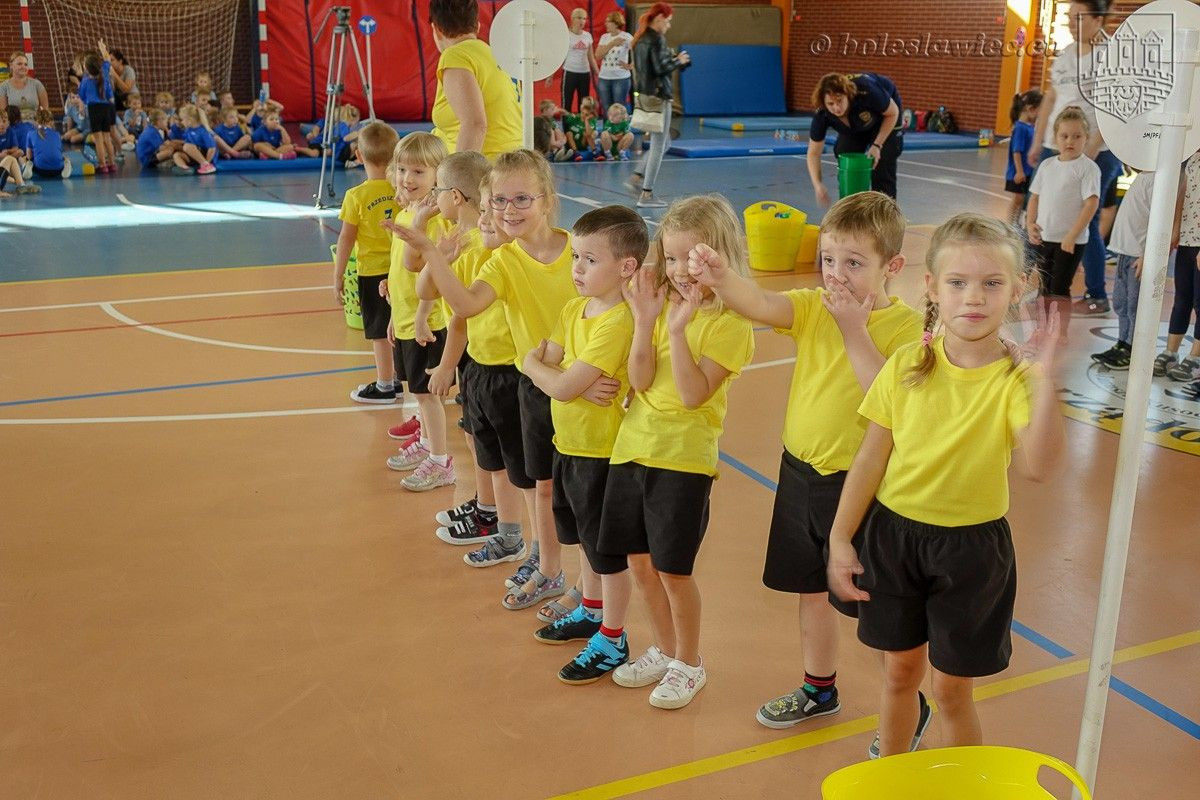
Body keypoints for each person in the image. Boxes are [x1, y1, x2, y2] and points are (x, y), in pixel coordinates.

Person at [687, 192, 926, 745]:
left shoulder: (909, 331)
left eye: (854, 263)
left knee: (880, 608)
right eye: (828, 259)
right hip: (801, 474)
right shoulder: (815, 305)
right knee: (810, 589)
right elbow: (761, 304)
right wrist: (723, 278)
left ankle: (908, 703)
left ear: (892, 266)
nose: (836, 275)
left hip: (864, 487)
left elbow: (886, 400)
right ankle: (820, 688)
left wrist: (853, 330)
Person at [827, 212, 1064, 758]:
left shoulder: (1017, 379)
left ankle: (963, 782)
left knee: (953, 691)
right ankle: (893, 771)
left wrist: (1046, 385)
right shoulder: (907, 365)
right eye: (957, 283)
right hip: (894, 538)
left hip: (972, 551)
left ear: (1018, 288)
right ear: (931, 287)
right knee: (898, 674)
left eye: (991, 283)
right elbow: (870, 459)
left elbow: (1040, 465)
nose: (973, 297)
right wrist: (841, 538)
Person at [392, 150, 575, 606]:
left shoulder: (580, 249)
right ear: (486, 203)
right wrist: (433, 253)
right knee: (542, 484)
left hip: (586, 387)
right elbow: (466, 306)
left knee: (588, 493)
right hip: (533, 386)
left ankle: (591, 593)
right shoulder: (502, 261)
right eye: (499, 201)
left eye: (520, 198)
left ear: (547, 199)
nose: (509, 210)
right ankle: (546, 564)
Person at [600, 194, 755, 709]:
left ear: (718, 255)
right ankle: (666, 652)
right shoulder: (660, 305)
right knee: (641, 565)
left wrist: (677, 331)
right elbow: (641, 380)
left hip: (683, 460)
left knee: (674, 571)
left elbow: (691, 394)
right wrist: (647, 321)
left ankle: (690, 662)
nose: (678, 270)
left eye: (690, 257)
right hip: (632, 449)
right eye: (670, 257)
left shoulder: (730, 325)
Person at [524, 206, 645, 685]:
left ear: (627, 267)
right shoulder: (573, 308)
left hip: (602, 454)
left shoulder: (617, 321)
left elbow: (555, 379)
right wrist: (557, 376)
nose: (576, 268)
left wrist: (551, 375)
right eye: (576, 257)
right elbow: (546, 365)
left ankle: (613, 639)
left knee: (605, 553)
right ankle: (592, 613)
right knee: (584, 543)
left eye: (590, 259)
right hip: (569, 444)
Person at [1031, 0, 1121, 316]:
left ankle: (1097, 294)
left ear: (1098, 20)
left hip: (1093, 151)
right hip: (1055, 146)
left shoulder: (1110, 56)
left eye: (1078, 18)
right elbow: (1051, 98)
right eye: (1069, 18)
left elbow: (1115, 110)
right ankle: (1044, 287)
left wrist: (1091, 152)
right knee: (1044, 215)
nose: (1071, 23)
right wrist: (1037, 141)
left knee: (1086, 220)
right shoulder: (1067, 54)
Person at [334, 121, 402, 418]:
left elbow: (346, 238)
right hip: (402, 270)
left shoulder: (356, 196)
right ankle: (400, 378)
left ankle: (385, 384)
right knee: (401, 326)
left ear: (359, 157)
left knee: (378, 331)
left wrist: (337, 277)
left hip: (372, 273)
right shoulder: (402, 191)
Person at [1026, 107, 1100, 339]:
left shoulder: (1088, 168)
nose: (1070, 141)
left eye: (1077, 136)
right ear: (1056, 137)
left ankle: (1060, 333)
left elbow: (1091, 204)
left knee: (1059, 289)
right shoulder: (1047, 165)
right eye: (1065, 136)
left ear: (1085, 138)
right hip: (1045, 237)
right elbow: (1035, 197)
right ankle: (1042, 328)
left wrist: (1072, 235)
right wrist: (1030, 224)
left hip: (1070, 242)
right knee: (1044, 287)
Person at [429, 0, 522, 159]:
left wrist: (456, 182)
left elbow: (475, 125)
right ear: (477, 26)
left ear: (436, 29)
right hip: (512, 164)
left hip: (485, 170)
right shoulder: (497, 55)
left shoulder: (456, 56)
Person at [806, 72, 904, 204]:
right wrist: (817, 184)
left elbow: (893, 113)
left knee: (883, 160)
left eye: (840, 100)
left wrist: (877, 146)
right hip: (857, 122)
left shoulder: (867, 91)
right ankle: (852, 208)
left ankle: (886, 214)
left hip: (887, 115)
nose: (836, 108)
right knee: (844, 151)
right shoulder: (822, 114)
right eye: (831, 103)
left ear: (848, 95)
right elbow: (813, 153)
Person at [1092, 170, 1155, 370]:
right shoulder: (1144, 175)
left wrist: (1147, 254)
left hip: (1138, 256)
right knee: (1121, 302)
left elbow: (1160, 220)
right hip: (1125, 252)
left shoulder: (1158, 179)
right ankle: (1122, 343)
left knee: (1135, 305)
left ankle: (1133, 349)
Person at [629, 3, 690, 209]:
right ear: (659, 19)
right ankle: (646, 193)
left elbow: (648, 66)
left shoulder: (640, 38)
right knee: (658, 144)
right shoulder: (656, 39)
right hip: (658, 96)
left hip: (645, 94)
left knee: (664, 144)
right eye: (668, 21)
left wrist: (672, 59)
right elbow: (660, 67)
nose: (669, 25)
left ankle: (638, 176)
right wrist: (679, 60)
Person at [1158, 152, 1200, 381]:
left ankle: (1195, 358)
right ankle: (1170, 351)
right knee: (1182, 298)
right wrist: (1175, 230)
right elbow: (1184, 193)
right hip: (1187, 238)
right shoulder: (1193, 158)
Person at [79, 42, 117, 174]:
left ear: (87, 69)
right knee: (107, 137)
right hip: (106, 107)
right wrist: (103, 48)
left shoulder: (85, 81)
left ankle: (103, 165)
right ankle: (112, 163)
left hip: (94, 109)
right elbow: (106, 59)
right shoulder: (105, 73)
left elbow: (82, 96)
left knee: (98, 139)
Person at [1005, 90, 1042, 224]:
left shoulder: (1030, 127)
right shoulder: (1020, 128)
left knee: (1022, 200)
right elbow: (1017, 151)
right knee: (1018, 200)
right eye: (1040, 110)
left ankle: (1015, 223)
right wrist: (1019, 171)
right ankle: (1010, 224)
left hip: (1027, 171)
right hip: (1019, 172)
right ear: (1030, 108)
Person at [554, 8, 599, 113]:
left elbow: (591, 57)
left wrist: (598, 73)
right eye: (579, 18)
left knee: (584, 103)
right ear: (573, 19)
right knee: (567, 102)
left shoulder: (587, 36)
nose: (582, 21)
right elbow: (560, 56)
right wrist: (551, 75)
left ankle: (582, 127)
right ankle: (567, 129)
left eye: (584, 18)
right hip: (570, 71)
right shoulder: (567, 35)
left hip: (584, 72)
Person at [596, 11, 634, 112]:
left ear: (616, 23)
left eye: (608, 21)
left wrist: (631, 65)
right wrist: (612, 43)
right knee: (606, 107)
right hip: (604, 78)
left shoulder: (626, 36)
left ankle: (621, 128)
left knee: (619, 108)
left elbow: (639, 51)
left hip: (621, 78)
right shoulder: (604, 37)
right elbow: (598, 56)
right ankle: (607, 127)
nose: (606, 24)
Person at [0, 53, 50, 122]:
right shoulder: (3, 87)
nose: (23, 67)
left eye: (25, 64)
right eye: (19, 64)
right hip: (14, 127)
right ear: (11, 65)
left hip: (35, 127)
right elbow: (3, 114)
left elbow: (45, 111)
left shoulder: (37, 84)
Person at [173, 104, 217, 175]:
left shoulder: (203, 131)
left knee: (187, 146)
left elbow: (212, 149)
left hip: (206, 156)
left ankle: (206, 166)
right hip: (195, 156)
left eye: (183, 119)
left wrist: (207, 162)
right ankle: (186, 168)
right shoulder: (188, 130)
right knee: (176, 155)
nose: (182, 122)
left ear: (190, 120)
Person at [25, 107, 66, 180]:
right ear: (51, 122)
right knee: (64, 158)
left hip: (41, 170)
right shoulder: (57, 134)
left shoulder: (30, 134)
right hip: (58, 170)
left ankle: (28, 166)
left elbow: (29, 156)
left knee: (24, 159)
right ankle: (66, 164)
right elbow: (60, 152)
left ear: (35, 122)